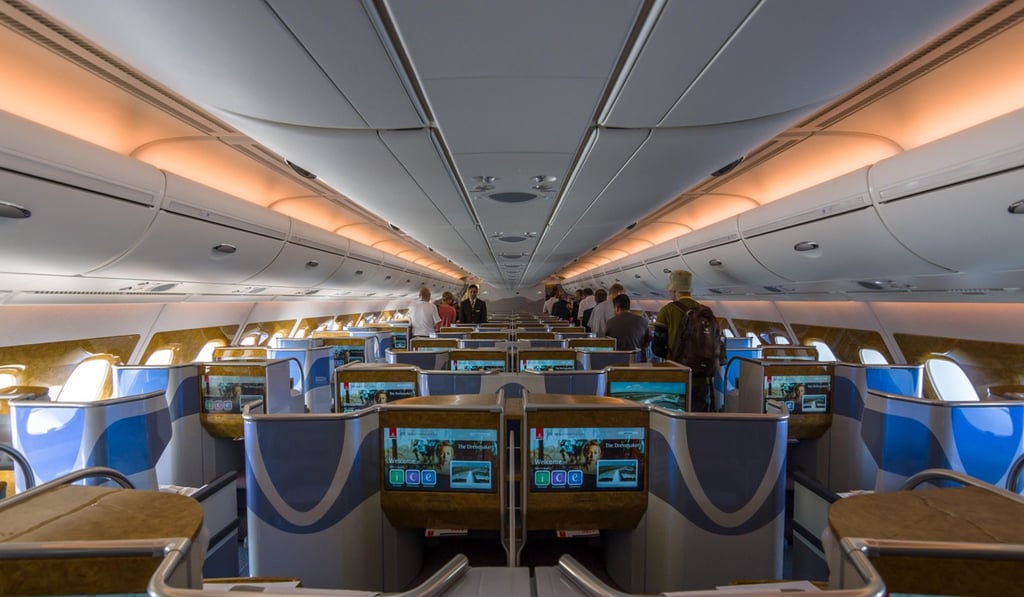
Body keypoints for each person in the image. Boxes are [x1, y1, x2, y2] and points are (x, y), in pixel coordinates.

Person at [653, 270, 715, 412]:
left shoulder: (667, 311)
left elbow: (657, 348)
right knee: (698, 421)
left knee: (675, 420)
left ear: (674, 290)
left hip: (676, 374)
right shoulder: (705, 311)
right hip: (701, 377)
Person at [605, 294, 651, 361]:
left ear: (617, 308)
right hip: (638, 361)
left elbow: (608, 343)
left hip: (617, 362)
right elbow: (647, 341)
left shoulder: (610, 322)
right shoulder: (643, 321)